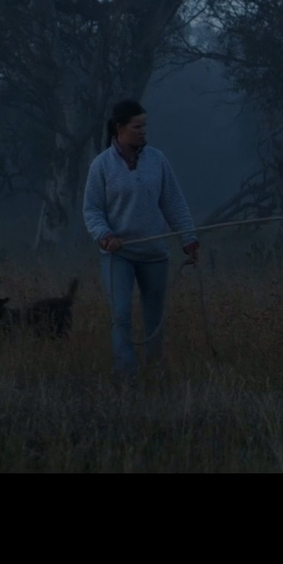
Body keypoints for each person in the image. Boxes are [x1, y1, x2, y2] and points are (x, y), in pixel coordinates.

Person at [83, 99, 199, 379]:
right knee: (121, 314)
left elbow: (174, 203)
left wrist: (189, 239)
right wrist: (104, 236)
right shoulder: (101, 166)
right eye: (137, 126)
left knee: (154, 318)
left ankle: (154, 371)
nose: (143, 131)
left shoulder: (157, 160)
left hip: (155, 254)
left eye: (145, 126)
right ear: (120, 128)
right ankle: (125, 376)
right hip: (118, 255)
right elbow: (92, 210)